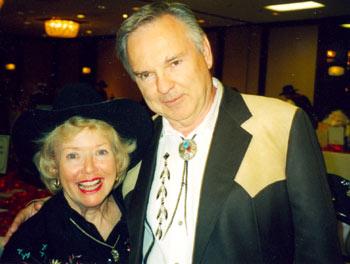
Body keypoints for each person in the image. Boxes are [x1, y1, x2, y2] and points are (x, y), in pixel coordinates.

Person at [2, 2, 343, 263]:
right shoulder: (138, 142)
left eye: (174, 62)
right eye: (146, 74)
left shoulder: (280, 124)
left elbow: (319, 248)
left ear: (205, 52)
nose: (164, 86)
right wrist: (46, 205)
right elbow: (96, 186)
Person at [0, 83, 153, 263]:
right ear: (53, 166)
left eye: (101, 152)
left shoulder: (139, 208)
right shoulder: (30, 241)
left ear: (118, 159)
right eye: (73, 155)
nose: (89, 168)